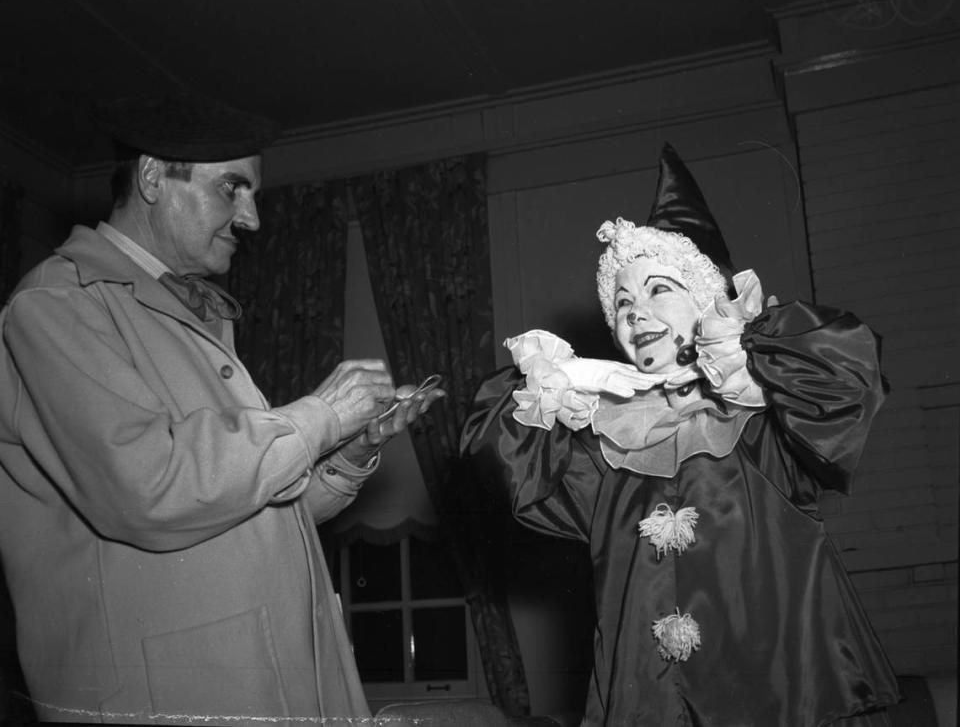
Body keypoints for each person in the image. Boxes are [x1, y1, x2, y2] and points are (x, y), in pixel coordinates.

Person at [0, 93, 443, 725]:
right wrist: (319, 415)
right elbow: (148, 489)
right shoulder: (58, 305)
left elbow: (245, 516)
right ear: (153, 177)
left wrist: (348, 453)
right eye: (232, 188)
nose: (253, 218)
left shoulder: (185, 315)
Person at [460, 144, 901, 726]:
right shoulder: (599, 441)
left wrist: (748, 352)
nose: (636, 313)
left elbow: (846, 371)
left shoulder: (763, 415)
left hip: (789, 698)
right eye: (622, 302)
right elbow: (502, 463)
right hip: (650, 703)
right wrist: (554, 388)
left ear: (706, 302)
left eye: (658, 290)